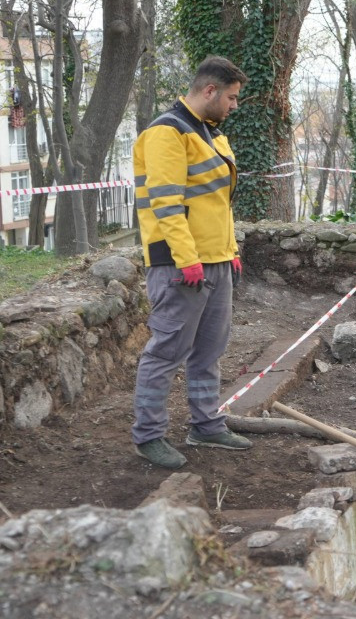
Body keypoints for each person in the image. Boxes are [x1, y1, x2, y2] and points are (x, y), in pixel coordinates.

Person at [131, 56, 253, 469]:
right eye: (232, 98)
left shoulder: (209, 133)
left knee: (209, 350)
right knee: (166, 351)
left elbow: (217, 203)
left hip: (215, 261)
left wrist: (230, 250)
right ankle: (148, 436)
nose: (235, 106)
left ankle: (206, 425)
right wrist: (188, 261)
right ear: (209, 91)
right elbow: (166, 204)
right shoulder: (167, 132)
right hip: (181, 265)